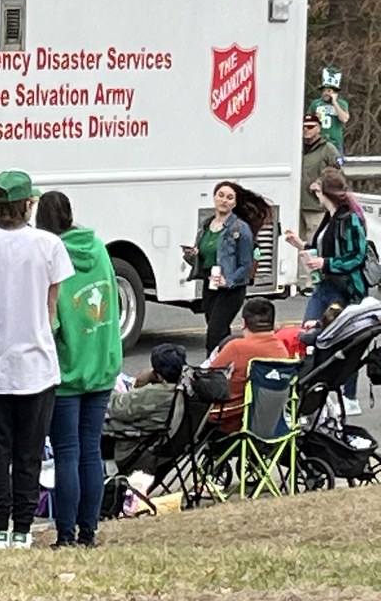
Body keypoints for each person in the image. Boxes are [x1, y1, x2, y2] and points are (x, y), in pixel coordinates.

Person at [0, 170, 72, 551]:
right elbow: (52, 303)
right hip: (38, 362)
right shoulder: (48, 244)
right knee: (30, 453)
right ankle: (23, 529)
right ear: (29, 205)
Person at [37, 191, 123, 550]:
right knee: (91, 451)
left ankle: (66, 533)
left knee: (67, 451)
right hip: (102, 365)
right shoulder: (99, 247)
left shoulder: (53, 254)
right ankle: (89, 531)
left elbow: (52, 317)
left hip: (69, 370)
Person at [284, 167, 368, 414]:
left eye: (319, 190)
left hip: (343, 289)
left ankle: (349, 396)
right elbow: (324, 246)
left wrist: (326, 263)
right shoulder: (329, 216)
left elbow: (357, 256)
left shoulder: (350, 219)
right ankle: (308, 389)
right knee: (308, 335)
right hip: (324, 285)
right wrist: (300, 245)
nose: (315, 194)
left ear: (327, 193)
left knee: (343, 341)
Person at [182, 181, 257, 357]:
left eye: (229, 198)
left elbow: (246, 264)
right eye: (221, 195)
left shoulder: (240, 228)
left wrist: (229, 280)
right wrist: (192, 255)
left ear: (235, 203)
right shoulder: (207, 225)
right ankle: (228, 365)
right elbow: (203, 255)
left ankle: (212, 367)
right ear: (214, 197)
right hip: (211, 283)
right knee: (219, 331)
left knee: (214, 334)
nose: (224, 200)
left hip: (231, 288)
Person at [207, 298, 289, 432]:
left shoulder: (236, 347)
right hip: (266, 419)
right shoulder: (281, 349)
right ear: (273, 323)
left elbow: (210, 377)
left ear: (244, 323)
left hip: (232, 416)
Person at [104, 344, 187, 474]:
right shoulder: (187, 390)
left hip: (137, 448)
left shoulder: (154, 393)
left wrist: (136, 384)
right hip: (169, 446)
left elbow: (115, 406)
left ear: (157, 375)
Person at [299, 114, 341, 266]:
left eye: (310, 127)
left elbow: (338, 171)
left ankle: (312, 282)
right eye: (304, 126)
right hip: (296, 203)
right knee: (297, 243)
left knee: (314, 243)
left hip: (315, 204)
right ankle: (298, 282)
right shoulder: (297, 146)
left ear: (319, 129)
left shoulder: (328, 148)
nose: (306, 130)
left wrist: (321, 182)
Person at [308, 67, 351, 155]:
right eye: (324, 90)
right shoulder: (316, 103)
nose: (326, 93)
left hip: (335, 142)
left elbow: (344, 119)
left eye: (329, 90)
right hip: (318, 142)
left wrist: (335, 102)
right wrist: (315, 118)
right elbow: (308, 122)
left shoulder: (341, 103)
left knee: (335, 167)